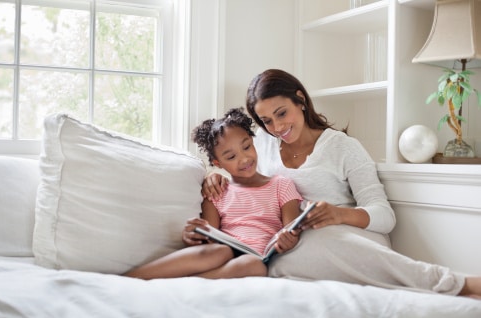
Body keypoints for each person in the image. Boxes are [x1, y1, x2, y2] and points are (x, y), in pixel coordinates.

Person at [202, 68, 481, 298]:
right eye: (266, 121)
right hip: (290, 243)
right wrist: (215, 177)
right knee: (278, 262)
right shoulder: (261, 146)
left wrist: (338, 214)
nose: (276, 127)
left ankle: (458, 284)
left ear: (300, 99)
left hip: (347, 233)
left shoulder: (343, 147)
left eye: (282, 113)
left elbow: (385, 217)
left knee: (319, 242)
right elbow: (241, 174)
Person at [124, 107, 304, 280]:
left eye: (247, 147)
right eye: (231, 157)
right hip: (221, 252)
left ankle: (183, 283)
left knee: (255, 266)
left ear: (252, 141)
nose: (244, 159)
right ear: (218, 163)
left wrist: (288, 240)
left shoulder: (281, 185)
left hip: (254, 258)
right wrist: (194, 236)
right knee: (220, 251)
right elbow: (209, 238)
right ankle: (133, 277)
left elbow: (291, 231)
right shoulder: (217, 191)